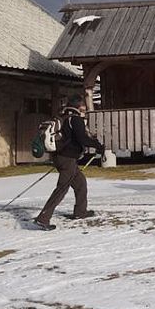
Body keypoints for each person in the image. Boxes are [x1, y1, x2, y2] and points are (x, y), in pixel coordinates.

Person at [32, 94, 105, 230]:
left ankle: (80, 212)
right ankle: (43, 218)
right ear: (78, 106)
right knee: (62, 188)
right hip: (67, 159)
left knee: (80, 183)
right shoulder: (75, 119)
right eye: (83, 104)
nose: (84, 107)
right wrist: (98, 145)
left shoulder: (64, 116)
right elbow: (82, 139)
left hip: (62, 157)